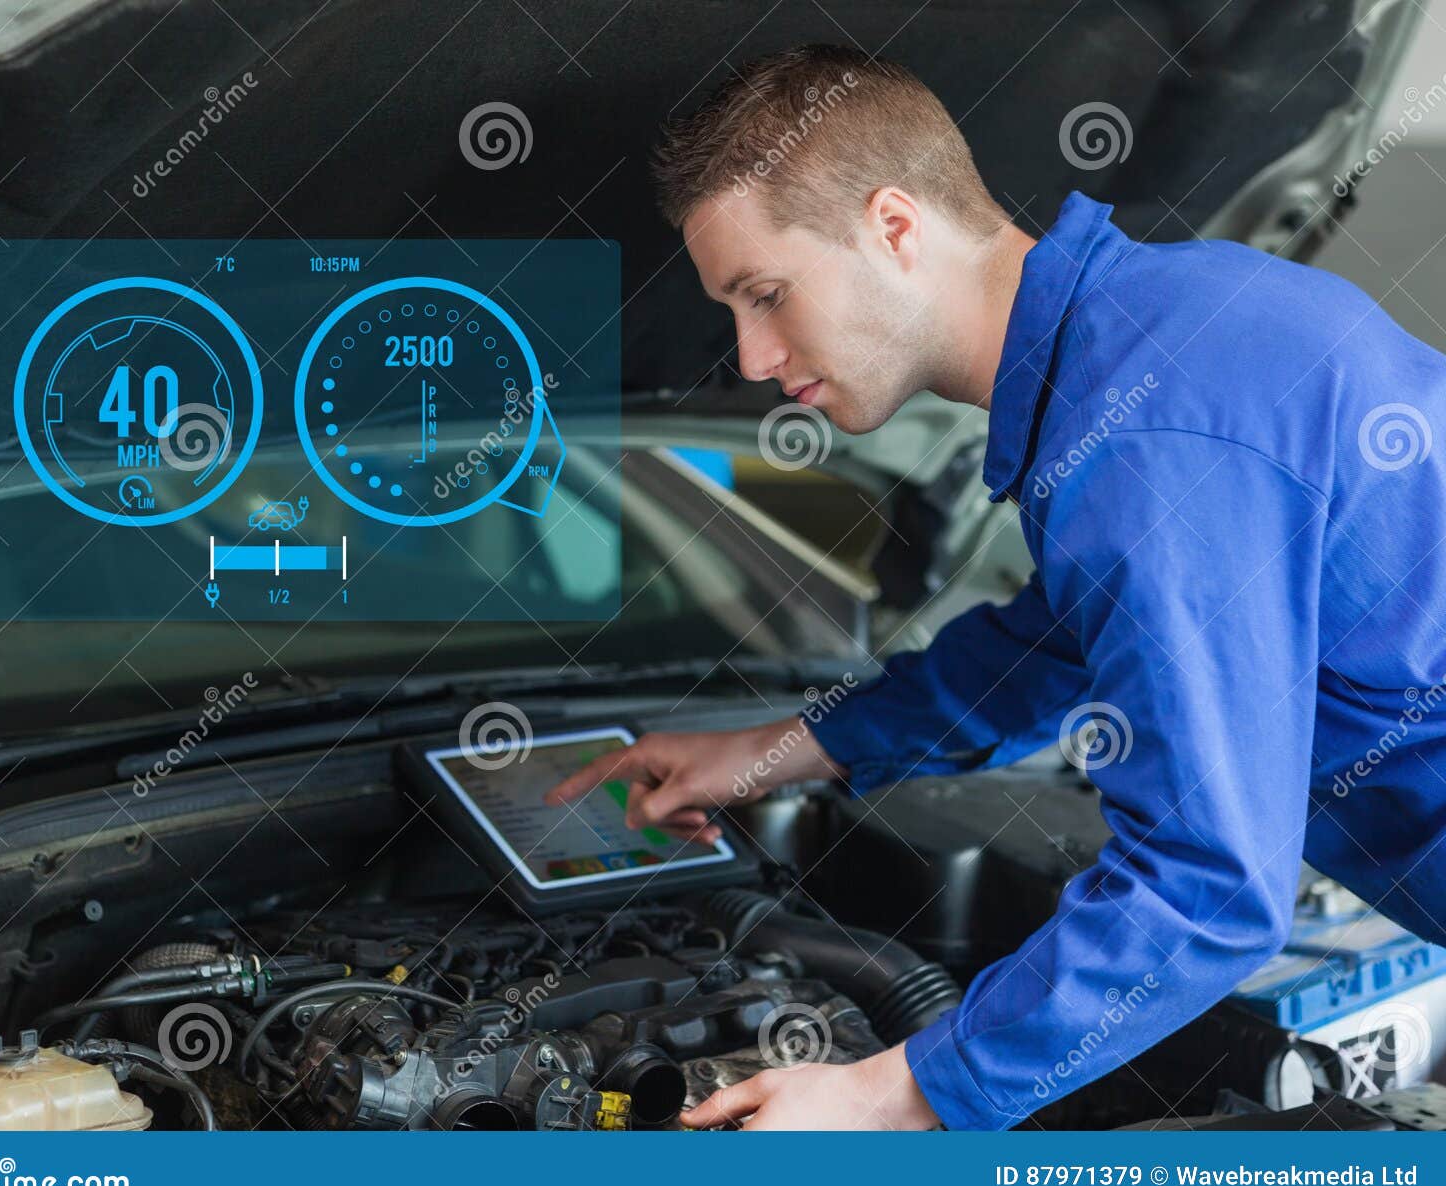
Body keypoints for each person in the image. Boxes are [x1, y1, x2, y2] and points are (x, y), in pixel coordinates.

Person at [543, 43, 1446, 1131]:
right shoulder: (1156, 331)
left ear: (892, 227)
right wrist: (779, 750)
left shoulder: (1151, 438)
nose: (747, 355)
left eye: (765, 294)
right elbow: (1063, 638)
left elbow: (1205, 892)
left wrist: (897, 1093)